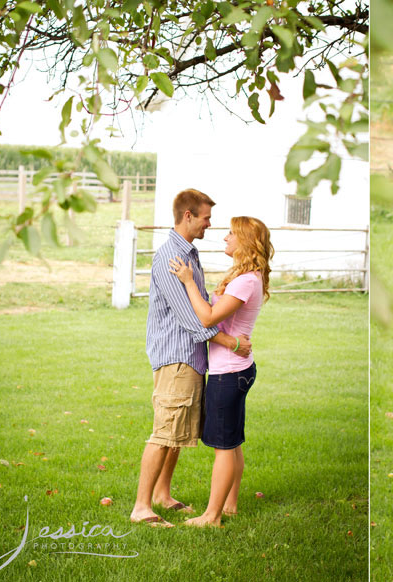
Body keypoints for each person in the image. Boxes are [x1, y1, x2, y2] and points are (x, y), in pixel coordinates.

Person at [129, 189, 251, 527]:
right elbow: (193, 318)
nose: (209, 224)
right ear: (188, 216)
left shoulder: (190, 254)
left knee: (178, 431)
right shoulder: (170, 256)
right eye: (206, 218)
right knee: (164, 430)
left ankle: (162, 494)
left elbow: (203, 306)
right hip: (176, 357)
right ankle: (141, 507)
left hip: (193, 358)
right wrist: (232, 342)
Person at [168, 216, 273, 527]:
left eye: (231, 234)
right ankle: (229, 506)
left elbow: (208, 318)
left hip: (228, 375)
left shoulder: (246, 281)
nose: (225, 238)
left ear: (245, 241)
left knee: (224, 447)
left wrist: (188, 281)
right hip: (236, 369)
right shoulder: (247, 277)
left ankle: (212, 517)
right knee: (233, 442)